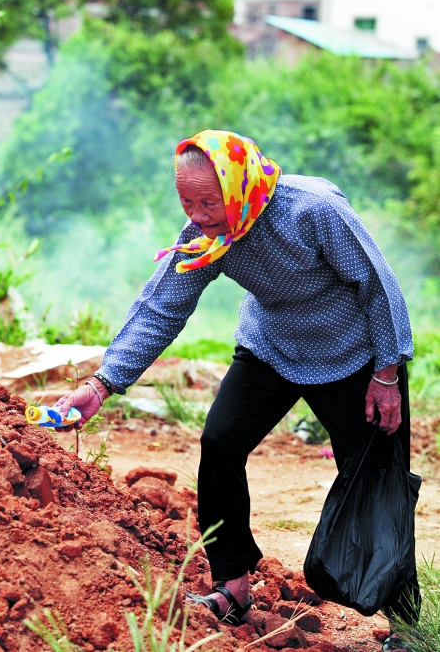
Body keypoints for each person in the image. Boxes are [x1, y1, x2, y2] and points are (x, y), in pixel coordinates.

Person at [54, 130, 419, 652]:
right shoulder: (208, 235)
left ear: (240, 184)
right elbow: (162, 306)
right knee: (220, 443)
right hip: (271, 350)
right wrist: (102, 382)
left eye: (209, 201)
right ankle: (232, 586)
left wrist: (387, 373)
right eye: (187, 201)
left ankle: (406, 623)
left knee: (378, 480)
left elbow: (378, 285)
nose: (199, 213)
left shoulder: (310, 210)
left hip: (353, 357)